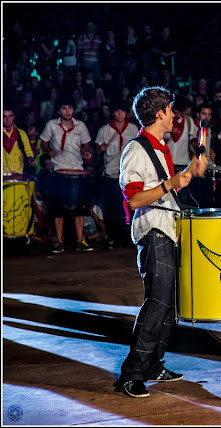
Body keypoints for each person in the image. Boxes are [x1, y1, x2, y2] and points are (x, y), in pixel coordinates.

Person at [114, 86, 207, 399]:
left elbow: (166, 189)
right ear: (158, 114)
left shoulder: (159, 147)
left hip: (167, 228)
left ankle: (153, 363)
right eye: (169, 109)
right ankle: (131, 373)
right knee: (157, 303)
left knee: (169, 306)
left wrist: (188, 174)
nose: (173, 115)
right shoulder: (137, 149)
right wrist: (171, 182)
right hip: (153, 231)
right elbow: (135, 198)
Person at [40, 97, 95, 253]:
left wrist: (87, 153)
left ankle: (79, 241)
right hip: (59, 170)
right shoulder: (51, 125)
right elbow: (43, 141)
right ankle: (58, 241)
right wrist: (48, 150)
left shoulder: (80, 126)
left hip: (77, 169)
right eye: (64, 108)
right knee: (58, 208)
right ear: (59, 110)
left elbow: (86, 145)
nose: (67, 110)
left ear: (73, 109)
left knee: (79, 207)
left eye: (70, 107)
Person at [95, 101, 140, 246]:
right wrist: (100, 149)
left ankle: (128, 237)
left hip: (129, 173)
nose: (120, 114)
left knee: (129, 206)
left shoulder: (133, 129)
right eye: (117, 111)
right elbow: (96, 151)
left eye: (122, 111)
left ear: (127, 113)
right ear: (112, 113)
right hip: (111, 173)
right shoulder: (105, 130)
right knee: (112, 207)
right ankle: (112, 237)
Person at [3, 106, 36, 176]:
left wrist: (30, 159)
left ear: (13, 117)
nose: (7, 119)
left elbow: (28, 152)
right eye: (4, 116)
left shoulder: (21, 134)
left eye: (10, 116)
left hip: (18, 174)